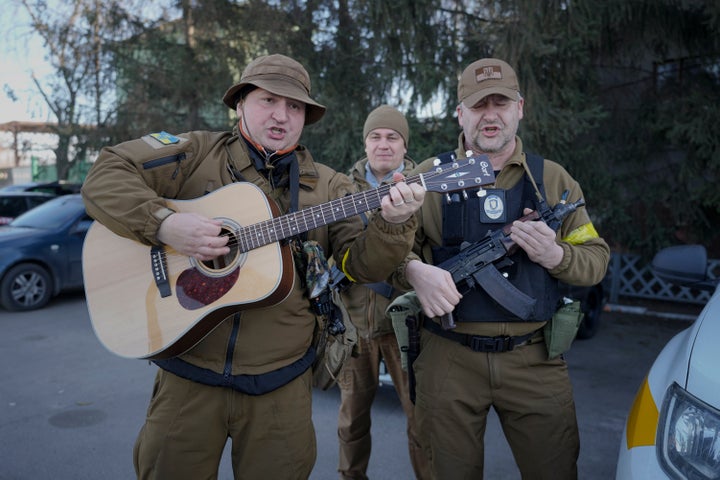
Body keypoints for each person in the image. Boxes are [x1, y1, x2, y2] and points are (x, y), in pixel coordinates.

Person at [81, 53, 425, 480]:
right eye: (268, 100)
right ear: (240, 103)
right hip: (188, 381)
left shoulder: (331, 186)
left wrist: (394, 224)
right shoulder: (195, 152)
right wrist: (165, 224)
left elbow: (361, 266)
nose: (282, 115)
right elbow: (106, 171)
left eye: (295, 106)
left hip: (280, 388)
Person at [391, 58, 610, 479]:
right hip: (448, 359)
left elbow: (596, 260)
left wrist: (556, 255)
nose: (490, 114)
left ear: (520, 108)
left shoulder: (553, 179)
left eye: (501, 102)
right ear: (460, 113)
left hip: (535, 360)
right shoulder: (426, 179)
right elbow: (383, 258)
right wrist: (415, 272)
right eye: (478, 104)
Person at [336, 105, 430, 480]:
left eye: (393, 137)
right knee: (351, 423)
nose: (383, 144)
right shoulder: (341, 187)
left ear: (405, 146)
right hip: (355, 324)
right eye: (375, 136)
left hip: (405, 327)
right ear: (365, 142)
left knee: (420, 421)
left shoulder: (425, 187)